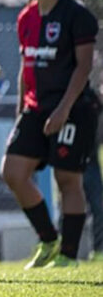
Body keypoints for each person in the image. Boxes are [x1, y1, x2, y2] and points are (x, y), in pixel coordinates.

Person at [1, 0, 99, 269]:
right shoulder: (25, 17)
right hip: (35, 108)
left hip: (73, 107)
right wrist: (20, 113)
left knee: (67, 178)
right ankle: (48, 239)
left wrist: (63, 110)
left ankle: (69, 256)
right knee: (13, 172)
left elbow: (83, 68)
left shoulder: (76, 14)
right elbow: (25, 70)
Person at [85, 90, 103, 260]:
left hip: (92, 163)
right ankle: (64, 251)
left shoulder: (95, 102)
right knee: (67, 210)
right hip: (71, 159)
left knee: (98, 207)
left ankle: (98, 250)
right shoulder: (86, 99)